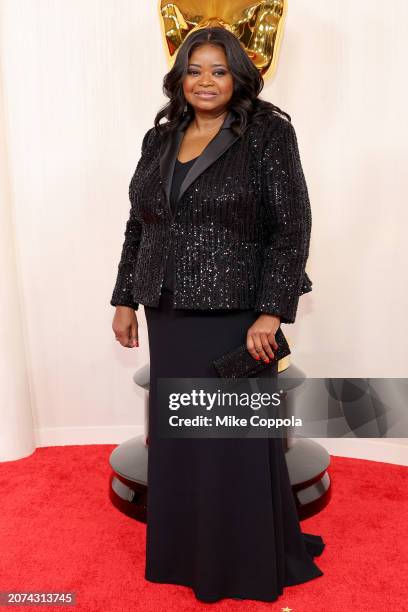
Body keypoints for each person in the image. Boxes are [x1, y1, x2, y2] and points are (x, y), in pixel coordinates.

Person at [111, 26, 325, 604]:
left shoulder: (267, 136)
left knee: (230, 441)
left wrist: (271, 313)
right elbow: (141, 224)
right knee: (183, 441)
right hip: (169, 311)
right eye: (195, 70)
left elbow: (292, 227)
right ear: (179, 77)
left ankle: (243, 562)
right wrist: (125, 297)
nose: (206, 81)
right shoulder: (159, 139)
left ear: (238, 76)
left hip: (235, 314)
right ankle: (185, 554)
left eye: (219, 70)